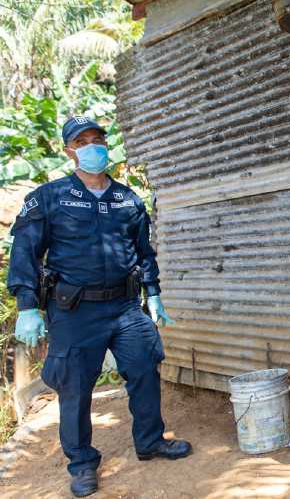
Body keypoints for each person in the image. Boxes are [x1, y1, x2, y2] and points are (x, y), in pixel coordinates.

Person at [7, 116, 192, 497]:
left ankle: (150, 440)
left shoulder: (127, 198)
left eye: (98, 139)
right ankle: (82, 463)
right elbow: (24, 252)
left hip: (126, 307)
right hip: (75, 311)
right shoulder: (48, 197)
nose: (93, 146)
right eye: (82, 141)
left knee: (144, 369)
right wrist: (26, 305)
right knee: (75, 387)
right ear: (69, 150)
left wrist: (153, 293)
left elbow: (143, 252)